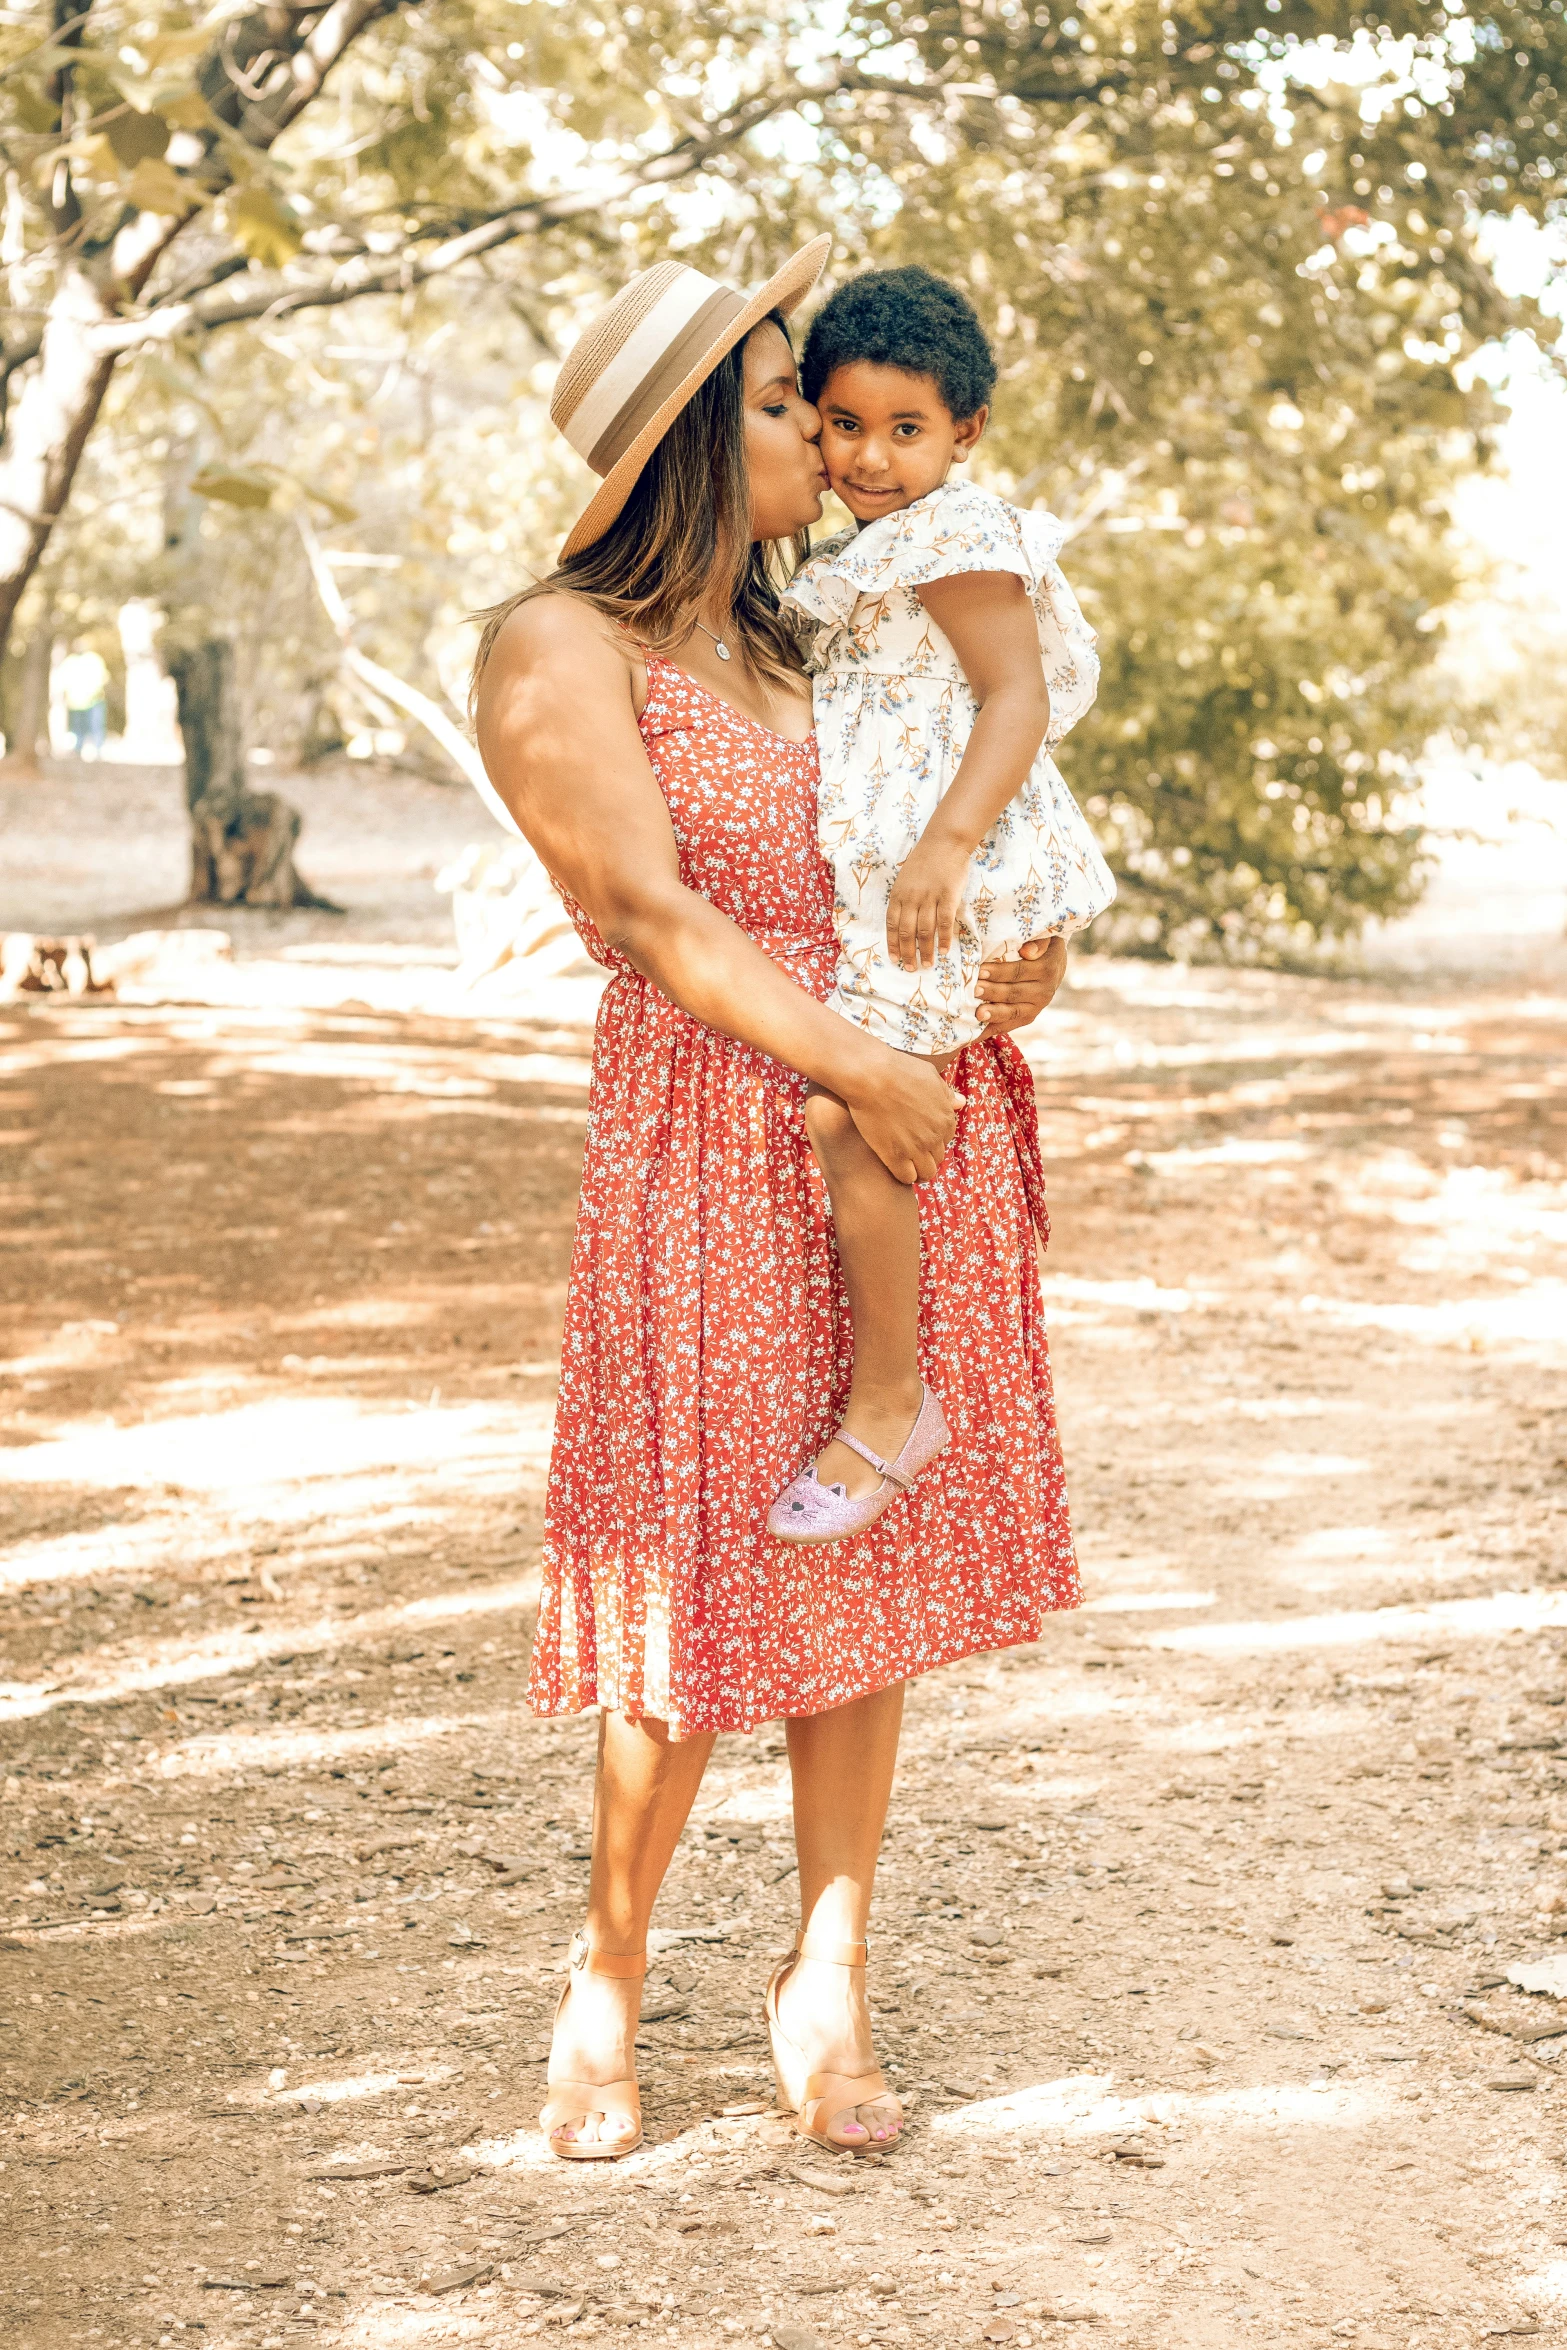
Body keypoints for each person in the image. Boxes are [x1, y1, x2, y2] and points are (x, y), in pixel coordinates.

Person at [471, 236, 1081, 2165]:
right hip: (722, 1141)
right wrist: (861, 1067)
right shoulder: (554, 646)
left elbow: (929, 837)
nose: (817, 432)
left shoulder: (820, 632)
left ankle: (829, 1975)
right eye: (771, 404)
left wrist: (1008, 966)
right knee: (687, 1583)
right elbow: (650, 920)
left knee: (859, 1563)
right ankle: (608, 1975)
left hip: (885, 1126)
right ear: (682, 445)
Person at [768, 268, 1116, 1544]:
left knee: (848, 1119)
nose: (868, 456)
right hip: (905, 879)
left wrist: (944, 849)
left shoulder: (955, 535)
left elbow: (1014, 698)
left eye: (904, 430)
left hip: (938, 878)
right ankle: (888, 1385)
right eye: (843, 424)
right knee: (850, 1113)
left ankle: (892, 1399)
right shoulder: (859, 548)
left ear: (964, 432)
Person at [59, 645, 109, 760]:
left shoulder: (94, 659)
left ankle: (98, 751)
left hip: (94, 700)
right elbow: (62, 680)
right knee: (78, 729)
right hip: (75, 703)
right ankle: (78, 750)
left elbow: (103, 677)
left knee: (95, 727)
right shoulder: (70, 662)